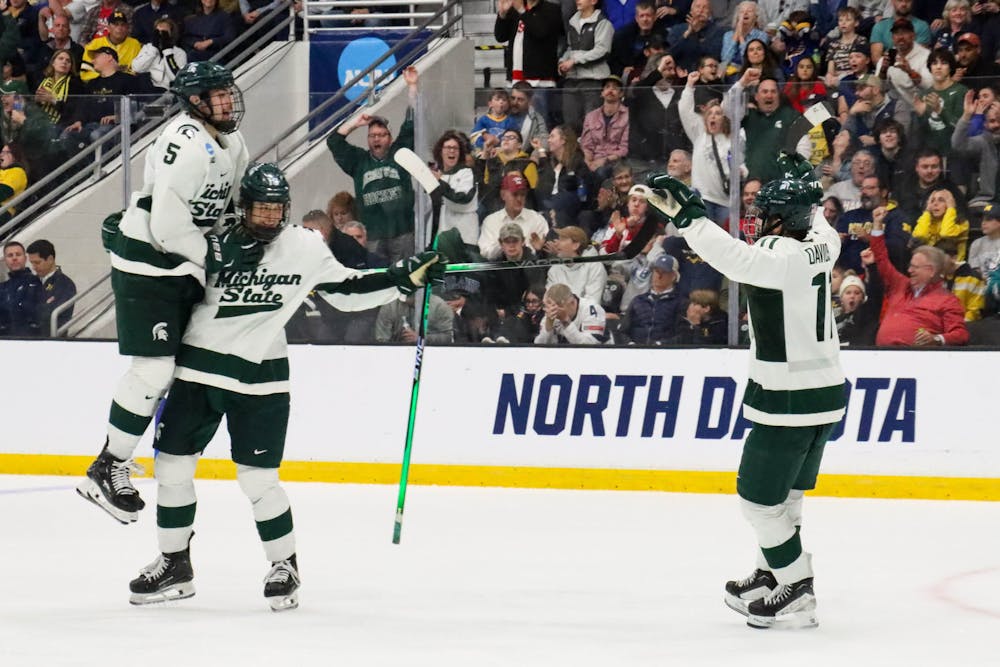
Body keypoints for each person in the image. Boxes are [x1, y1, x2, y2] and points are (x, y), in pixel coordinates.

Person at [127, 163, 445, 610]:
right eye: (260, 210)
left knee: (258, 479)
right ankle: (175, 564)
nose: (269, 219)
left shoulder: (304, 247)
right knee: (171, 471)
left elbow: (345, 289)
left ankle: (284, 566)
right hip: (197, 371)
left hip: (263, 376)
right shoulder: (213, 239)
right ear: (243, 208)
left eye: (277, 211)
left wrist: (400, 279)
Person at [641, 157, 846, 629]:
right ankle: (772, 573)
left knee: (757, 500)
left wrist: (689, 218)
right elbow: (815, 217)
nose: (760, 220)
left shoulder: (781, 257)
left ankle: (796, 585)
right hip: (825, 391)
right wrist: (807, 184)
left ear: (782, 220)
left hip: (788, 396)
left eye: (768, 211)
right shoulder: (822, 242)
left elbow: (734, 257)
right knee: (786, 497)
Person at [76, 61, 256, 525]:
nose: (227, 101)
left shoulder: (232, 142)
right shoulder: (185, 143)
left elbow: (226, 209)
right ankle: (108, 465)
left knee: (181, 368)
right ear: (195, 102)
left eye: (227, 92)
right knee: (154, 368)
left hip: (183, 265)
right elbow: (169, 226)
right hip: (147, 262)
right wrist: (216, 258)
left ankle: (125, 460)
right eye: (217, 95)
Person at [327, 66, 419, 263]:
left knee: (405, 281)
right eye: (372, 136)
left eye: (382, 135)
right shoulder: (359, 161)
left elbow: (411, 122)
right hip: (373, 235)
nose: (377, 139)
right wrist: (355, 123)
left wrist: (412, 87)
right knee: (376, 280)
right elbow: (334, 141)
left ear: (390, 137)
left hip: (402, 233)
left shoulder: (400, 153)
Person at [866, 205, 969, 346]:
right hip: (880, 358)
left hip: (917, 362)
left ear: (931, 270)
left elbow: (961, 334)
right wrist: (877, 225)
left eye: (915, 267)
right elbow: (881, 258)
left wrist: (936, 338)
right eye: (910, 266)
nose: (909, 270)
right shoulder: (900, 284)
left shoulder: (948, 301)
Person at [558, 0, 613, 133]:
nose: (577, 0)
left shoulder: (603, 22)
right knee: (570, 123)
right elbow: (570, 48)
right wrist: (563, 61)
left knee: (592, 124)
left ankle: (591, 153)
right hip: (572, 80)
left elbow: (602, 50)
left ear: (593, 1)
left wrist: (574, 60)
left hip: (593, 81)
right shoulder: (572, 21)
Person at [478, 172, 549, 260]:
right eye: (515, 194)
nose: (519, 199)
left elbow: (547, 252)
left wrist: (540, 250)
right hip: (500, 269)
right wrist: (504, 244)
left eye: (522, 194)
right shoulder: (490, 221)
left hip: (529, 270)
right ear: (503, 195)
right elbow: (484, 253)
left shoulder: (537, 219)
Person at [621, 253, 685, 344]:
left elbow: (683, 335)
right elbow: (622, 331)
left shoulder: (681, 303)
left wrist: (662, 345)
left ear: (674, 276)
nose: (659, 276)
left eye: (664, 272)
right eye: (656, 271)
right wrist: (630, 344)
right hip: (635, 352)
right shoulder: (638, 300)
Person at [431, 130, 478, 246]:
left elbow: (463, 198)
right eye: (447, 147)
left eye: (455, 148)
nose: (451, 151)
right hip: (443, 234)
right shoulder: (437, 177)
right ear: (440, 151)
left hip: (465, 236)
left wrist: (440, 183)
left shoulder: (466, 173)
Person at [25, 238, 76, 335]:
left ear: (50, 259)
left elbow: (47, 315)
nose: (34, 267)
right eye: (32, 263)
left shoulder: (65, 284)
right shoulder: (30, 281)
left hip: (51, 340)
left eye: (37, 262)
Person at [545, 225, 608, 301]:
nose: (557, 243)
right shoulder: (554, 269)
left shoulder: (594, 267)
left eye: (563, 239)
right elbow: (549, 299)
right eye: (559, 239)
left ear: (575, 245)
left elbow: (593, 301)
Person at [534, 281, 608, 344]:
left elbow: (592, 344)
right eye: (551, 307)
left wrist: (566, 321)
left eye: (560, 307)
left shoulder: (591, 308)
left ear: (572, 302)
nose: (556, 312)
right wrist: (548, 325)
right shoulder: (551, 312)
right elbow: (538, 347)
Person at [131, 16, 187, 91]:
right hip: (147, 91)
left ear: (171, 34)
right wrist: (154, 49)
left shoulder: (180, 53)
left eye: (164, 33)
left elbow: (177, 78)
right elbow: (137, 68)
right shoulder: (148, 48)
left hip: (168, 92)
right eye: (158, 32)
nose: (160, 35)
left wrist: (168, 51)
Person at [0, 239, 42, 336]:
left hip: (31, 340)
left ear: (25, 258)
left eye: (18, 254)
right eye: (10, 255)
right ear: (5, 260)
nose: (14, 258)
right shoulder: (2, 288)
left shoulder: (37, 282)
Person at [34, 48, 85, 128]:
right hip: (39, 121)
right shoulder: (41, 80)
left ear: (70, 67)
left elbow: (72, 112)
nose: (64, 62)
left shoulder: (75, 84)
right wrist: (36, 100)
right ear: (53, 63)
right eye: (61, 59)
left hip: (62, 124)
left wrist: (53, 100)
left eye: (68, 61)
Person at [0, 141, 27, 220]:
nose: (1, 154)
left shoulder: (17, 172)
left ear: (14, 155)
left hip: (4, 212)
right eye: (1, 152)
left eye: (5, 152)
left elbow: (3, 192)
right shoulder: (2, 171)